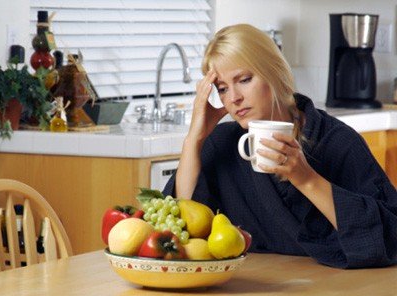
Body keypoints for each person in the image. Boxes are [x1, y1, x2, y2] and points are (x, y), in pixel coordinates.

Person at [163, 24, 397, 269]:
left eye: (244, 79)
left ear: (273, 72)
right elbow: (182, 228)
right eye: (222, 89)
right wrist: (194, 140)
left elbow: (389, 237)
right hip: (253, 284)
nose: (233, 98)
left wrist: (306, 179)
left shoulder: (337, 142)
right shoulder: (221, 143)